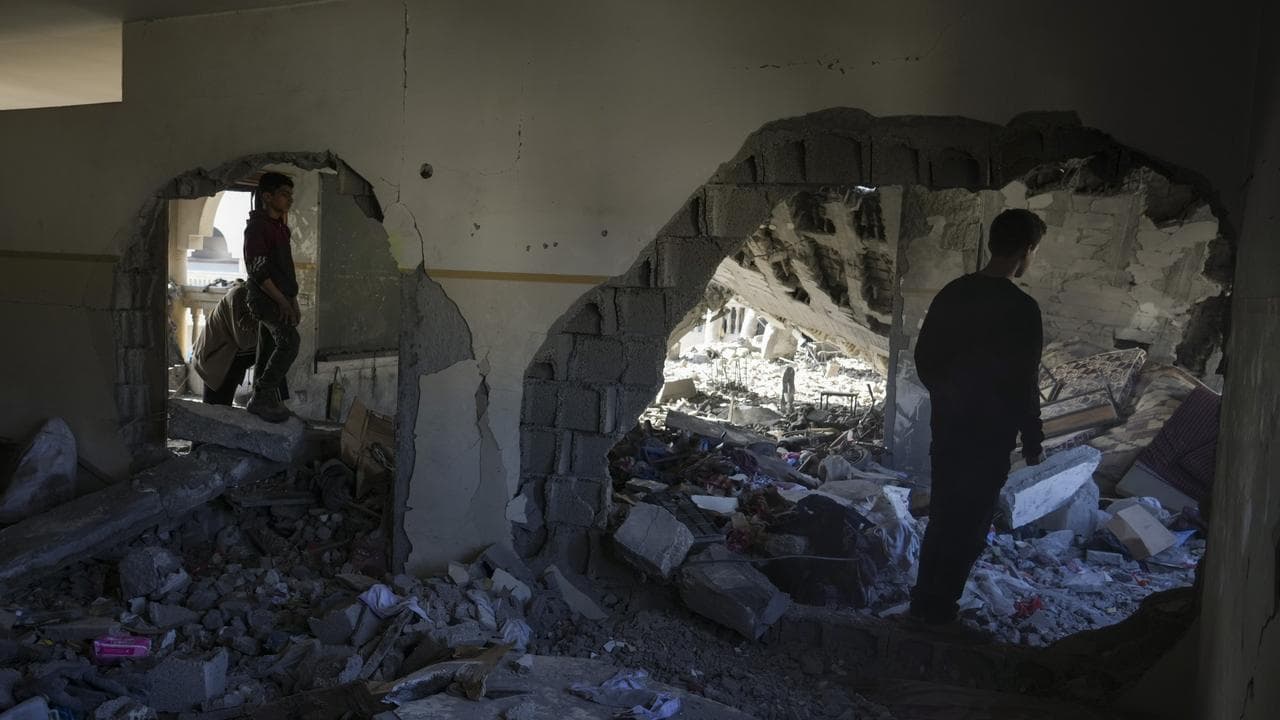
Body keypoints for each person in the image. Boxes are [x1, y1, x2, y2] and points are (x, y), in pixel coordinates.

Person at [908, 208, 1047, 629]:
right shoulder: (1022, 309)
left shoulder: (954, 292)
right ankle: (940, 608)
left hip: (950, 429)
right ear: (1026, 251)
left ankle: (924, 602)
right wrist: (1034, 437)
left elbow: (925, 359)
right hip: (990, 437)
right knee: (970, 523)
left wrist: (950, 399)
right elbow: (1026, 380)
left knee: (945, 512)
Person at [242, 172, 300, 423]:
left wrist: (293, 299)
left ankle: (265, 399)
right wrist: (282, 301)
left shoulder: (280, 228)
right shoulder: (257, 228)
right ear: (267, 196)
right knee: (289, 341)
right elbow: (259, 271)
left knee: (268, 347)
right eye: (284, 194)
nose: (290, 200)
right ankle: (262, 396)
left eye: (290, 195)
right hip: (265, 298)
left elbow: (286, 270)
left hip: (281, 297)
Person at [191, 280, 257, 405]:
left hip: (222, 357)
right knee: (214, 410)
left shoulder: (243, 294)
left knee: (219, 406)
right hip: (215, 359)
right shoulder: (240, 295)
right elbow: (244, 341)